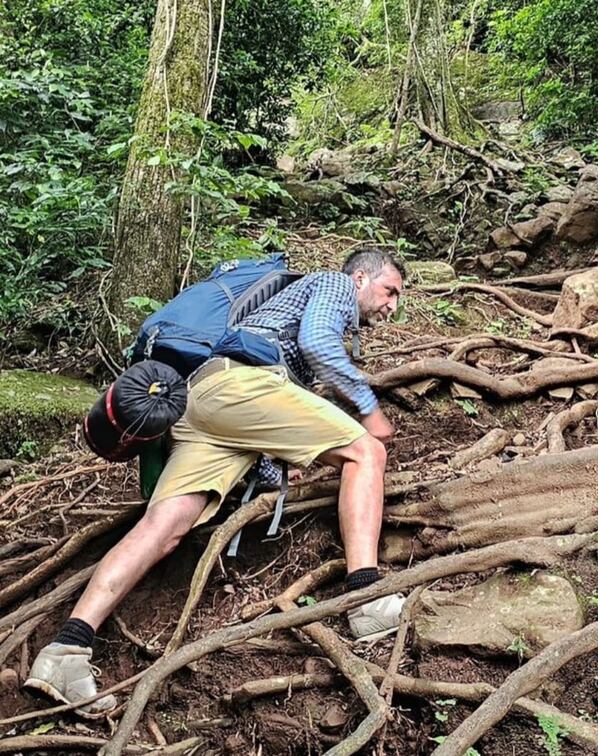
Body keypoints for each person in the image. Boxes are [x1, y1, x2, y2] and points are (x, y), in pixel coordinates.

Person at [23, 247, 406, 717]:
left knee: (164, 527)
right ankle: (366, 597)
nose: (392, 306)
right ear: (362, 277)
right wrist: (368, 408)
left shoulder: (272, 315)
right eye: (390, 291)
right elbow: (318, 344)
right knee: (367, 452)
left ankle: (66, 649)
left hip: (202, 404)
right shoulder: (333, 283)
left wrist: (284, 466)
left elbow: (266, 422)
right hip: (241, 387)